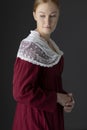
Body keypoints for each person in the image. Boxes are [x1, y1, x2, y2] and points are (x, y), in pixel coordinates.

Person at [12, 0, 75, 130]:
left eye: (52, 15)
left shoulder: (49, 44)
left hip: (51, 117)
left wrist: (66, 99)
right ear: (34, 15)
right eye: (42, 15)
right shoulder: (31, 46)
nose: (47, 22)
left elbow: (47, 83)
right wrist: (58, 98)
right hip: (34, 120)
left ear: (58, 15)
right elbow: (20, 92)